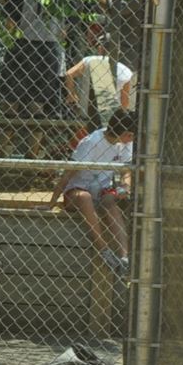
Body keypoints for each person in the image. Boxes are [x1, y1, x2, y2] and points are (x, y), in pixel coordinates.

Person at [50, 107, 135, 276]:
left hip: (103, 190)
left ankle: (125, 257)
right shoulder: (91, 142)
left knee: (110, 202)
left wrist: (125, 187)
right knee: (85, 197)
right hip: (77, 192)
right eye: (131, 135)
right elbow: (68, 174)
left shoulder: (125, 144)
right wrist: (51, 203)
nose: (133, 138)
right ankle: (103, 249)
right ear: (124, 133)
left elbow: (126, 171)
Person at [62, 25, 135, 130]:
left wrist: (71, 95)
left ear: (100, 48)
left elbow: (69, 74)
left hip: (85, 113)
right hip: (112, 119)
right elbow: (124, 103)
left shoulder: (89, 60)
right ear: (118, 51)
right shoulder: (125, 71)